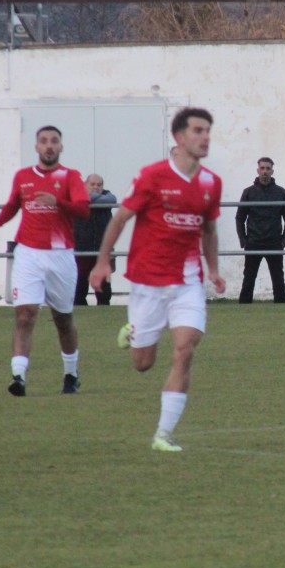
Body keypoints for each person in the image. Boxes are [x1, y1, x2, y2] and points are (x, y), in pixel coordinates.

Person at [90, 108, 225, 453]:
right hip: (148, 281)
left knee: (185, 349)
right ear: (179, 138)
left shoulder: (211, 183)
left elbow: (208, 229)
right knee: (143, 363)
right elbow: (120, 219)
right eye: (198, 130)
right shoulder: (152, 176)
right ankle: (134, 329)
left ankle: (163, 434)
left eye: (208, 130)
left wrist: (212, 269)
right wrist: (103, 262)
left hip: (187, 282)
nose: (205, 137)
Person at [0, 125, 90, 396]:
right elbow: (13, 205)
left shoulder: (71, 177)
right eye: (44, 141)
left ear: (61, 147)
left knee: (63, 319)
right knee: (25, 315)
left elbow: (83, 210)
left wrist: (58, 201)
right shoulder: (23, 176)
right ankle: (18, 377)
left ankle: (71, 373)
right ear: (36, 146)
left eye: (54, 141)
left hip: (60, 255)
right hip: (29, 253)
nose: (49, 146)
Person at [236, 157, 285, 304]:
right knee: (248, 278)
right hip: (253, 242)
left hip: (274, 242)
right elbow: (239, 218)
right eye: (262, 168)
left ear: (272, 171)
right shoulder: (248, 192)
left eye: (268, 169)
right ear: (258, 170)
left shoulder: (281, 192)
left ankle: (281, 308)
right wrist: (243, 241)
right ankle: (243, 309)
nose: (265, 172)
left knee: (278, 279)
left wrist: (284, 241)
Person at [73, 173, 117, 306]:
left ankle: (104, 311)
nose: (96, 187)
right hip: (81, 248)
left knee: (104, 286)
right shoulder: (77, 196)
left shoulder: (107, 196)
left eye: (99, 185)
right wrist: (88, 198)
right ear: (85, 185)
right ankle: (80, 312)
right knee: (79, 285)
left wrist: (89, 198)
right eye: (92, 184)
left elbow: (112, 199)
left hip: (102, 248)